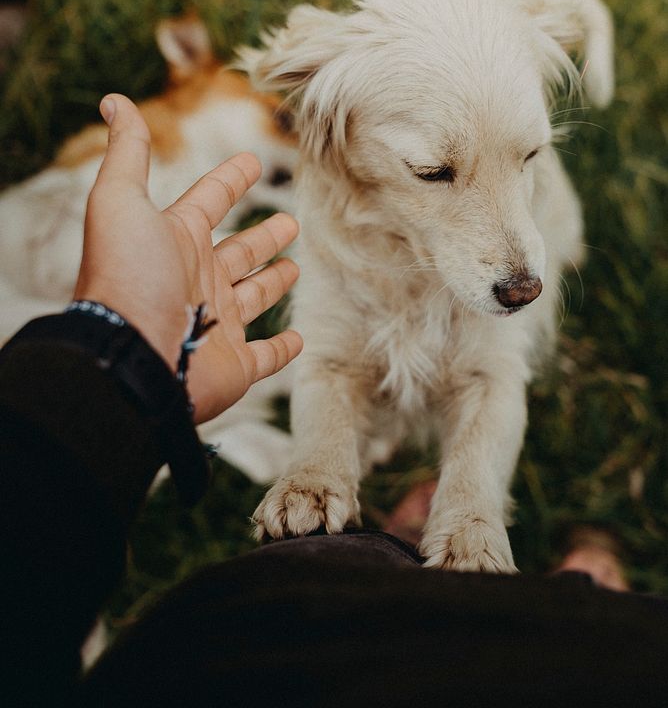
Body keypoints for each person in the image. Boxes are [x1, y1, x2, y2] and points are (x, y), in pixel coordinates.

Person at [1, 95, 667, 708]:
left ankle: (380, 554)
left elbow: (25, 589)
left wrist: (124, 356)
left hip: (228, 665)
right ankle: (565, 596)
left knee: (302, 592)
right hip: (597, 673)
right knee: (587, 645)